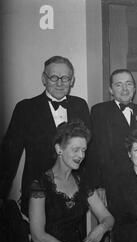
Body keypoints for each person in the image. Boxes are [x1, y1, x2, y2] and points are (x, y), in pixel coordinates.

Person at [28, 121, 129, 242]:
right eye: (75, 149)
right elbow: (38, 237)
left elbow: (108, 218)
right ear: (59, 149)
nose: (81, 155)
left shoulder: (83, 183)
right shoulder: (40, 185)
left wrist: (101, 228)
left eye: (83, 150)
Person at [0, 56, 90, 214]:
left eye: (65, 78)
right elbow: (9, 156)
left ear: (72, 81)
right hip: (37, 192)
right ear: (44, 79)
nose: (60, 83)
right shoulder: (25, 108)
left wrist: (92, 187)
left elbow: (89, 150)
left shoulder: (80, 105)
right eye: (54, 77)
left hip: (73, 192)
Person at [86, 68, 137, 205]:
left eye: (129, 83)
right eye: (118, 85)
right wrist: (98, 185)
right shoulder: (99, 111)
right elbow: (95, 151)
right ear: (110, 90)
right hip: (112, 185)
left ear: (134, 87)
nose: (125, 89)